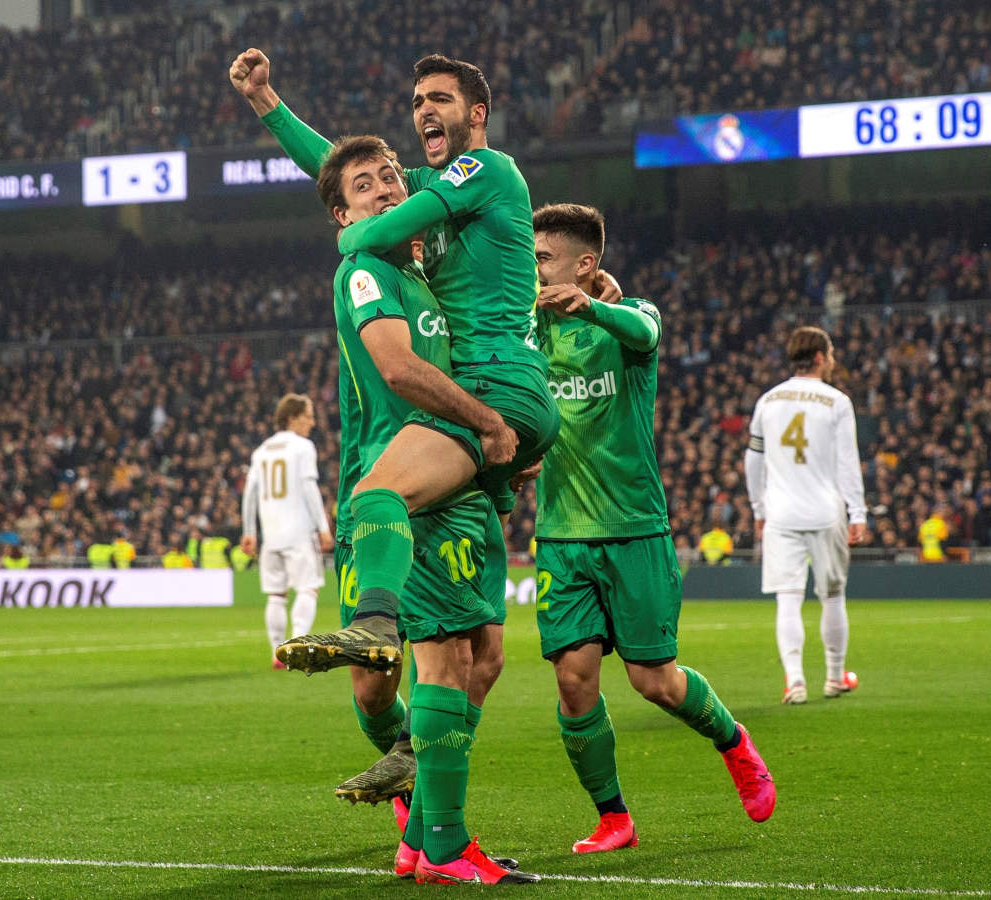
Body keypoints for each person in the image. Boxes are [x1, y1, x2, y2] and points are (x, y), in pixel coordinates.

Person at [231, 48, 561, 668]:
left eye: (440, 99)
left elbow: (373, 225)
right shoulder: (430, 185)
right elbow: (339, 172)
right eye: (416, 103)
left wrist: (349, 235)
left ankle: (377, 623)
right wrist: (266, 104)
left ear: (478, 112)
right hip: (498, 392)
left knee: (375, 496)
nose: (424, 112)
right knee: (476, 655)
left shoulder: (486, 169)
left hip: (492, 388)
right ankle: (415, 747)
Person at [281, 135, 535, 884]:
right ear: (343, 214)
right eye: (366, 186)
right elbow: (398, 370)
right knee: (424, 669)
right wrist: (490, 425)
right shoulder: (365, 271)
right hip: (402, 487)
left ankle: (422, 832)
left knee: (479, 654)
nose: (387, 189)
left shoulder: (425, 269)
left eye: (392, 177)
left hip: (454, 485)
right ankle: (439, 837)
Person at [530, 203, 774, 853]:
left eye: (543, 260)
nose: (534, 272)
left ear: (585, 266)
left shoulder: (632, 318)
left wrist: (593, 307)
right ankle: (614, 817)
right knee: (573, 679)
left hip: (635, 528)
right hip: (561, 533)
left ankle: (734, 742)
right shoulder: (531, 329)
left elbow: (644, 332)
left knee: (653, 681)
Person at [745, 325, 867, 705]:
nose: (831, 361)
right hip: (825, 511)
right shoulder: (836, 402)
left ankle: (795, 681)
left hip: (781, 513)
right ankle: (834, 677)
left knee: (788, 598)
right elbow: (849, 462)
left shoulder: (768, 400)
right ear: (818, 357)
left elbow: (753, 460)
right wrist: (858, 511)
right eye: (829, 355)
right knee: (832, 596)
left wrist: (758, 509)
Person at [241, 393, 334, 668]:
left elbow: (250, 493)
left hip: (270, 534)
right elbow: (308, 487)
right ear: (292, 418)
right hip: (298, 531)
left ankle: (276, 652)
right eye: (308, 416)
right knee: (309, 588)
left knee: (276, 594)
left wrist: (249, 532)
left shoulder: (261, 451)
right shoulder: (303, 447)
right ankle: (296, 645)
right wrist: (323, 527)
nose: (313, 422)